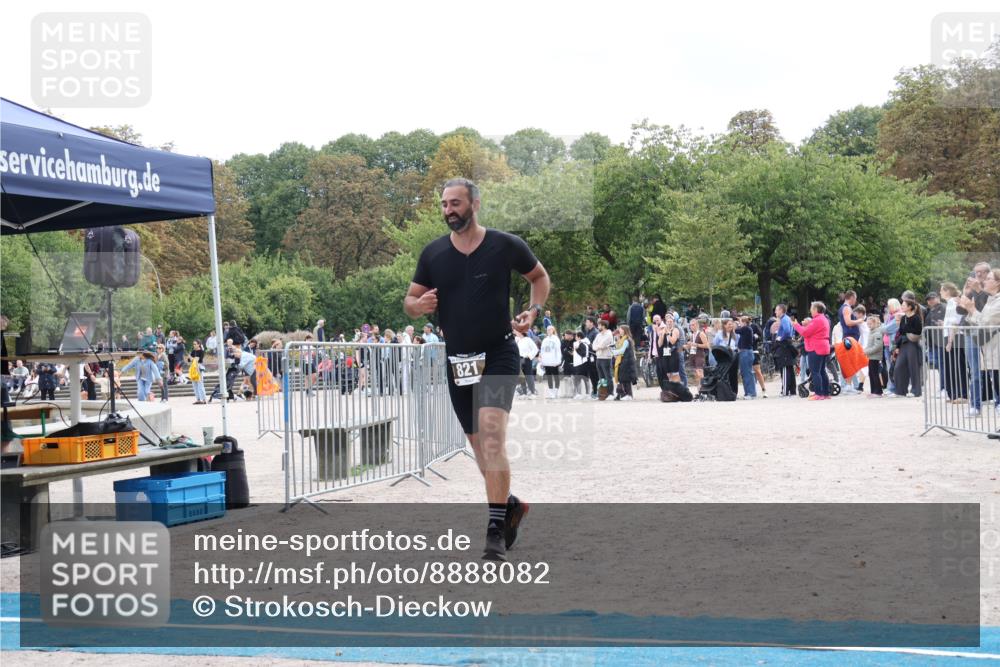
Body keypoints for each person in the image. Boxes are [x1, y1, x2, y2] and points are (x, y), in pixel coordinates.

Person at [403, 177, 549, 561]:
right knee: (478, 448)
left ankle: (495, 530)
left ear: (475, 204)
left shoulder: (504, 245)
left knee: (491, 436)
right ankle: (510, 505)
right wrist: (418, 307)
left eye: (456, 203)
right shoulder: (433, 254)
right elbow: (410, 300)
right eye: (444, 204)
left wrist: (534, 310)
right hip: (458, 362)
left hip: (500, 352)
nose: (449, 210)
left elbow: (539, 277)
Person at [960, 267, 1000, 416]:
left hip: (995, 345)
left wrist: (973, 309)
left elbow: (987, 321)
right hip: (989, 346)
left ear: (997, 283)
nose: (984, 280)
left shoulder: (996, 299)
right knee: (993, 379)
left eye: (989, 278)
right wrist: (968, 307)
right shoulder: (991, 298)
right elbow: (978, 317)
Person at [793, 302, 832, 400]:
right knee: (822, 371)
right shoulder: (823, 319)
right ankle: (826, 393)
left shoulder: (817, 320)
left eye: (811, 308)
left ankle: (818, 394)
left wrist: (795, 325)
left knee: (815, 372)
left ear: (816, 309)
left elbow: (805, 333)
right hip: (823, 347)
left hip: (816, 348)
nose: (810, 310)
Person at [888, 298, 924, 398]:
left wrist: (905, 328)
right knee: (899, 367)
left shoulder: (916, 318)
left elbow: (917, 331)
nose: (902, 306)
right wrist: (897, 346)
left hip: (912, 344)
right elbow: (901, 332)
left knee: (914, 367)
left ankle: (916, 391)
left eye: (904, 305)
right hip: (903, 344)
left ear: (909, 307)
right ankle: (900, 391)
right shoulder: (903, 318)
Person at [940, 282, 967, 404]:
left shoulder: (953, 302)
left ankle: (962, 394)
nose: (940, 292)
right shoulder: (950, 303)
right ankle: (954, 394)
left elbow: (955, 322)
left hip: (955, 337)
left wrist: (950, 341)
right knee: (951, 366)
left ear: (947, 291)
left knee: (957, 365)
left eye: (942, 290)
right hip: (951, 336)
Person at [772, 304, 797, 396]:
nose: (775, 312)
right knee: (789, 368)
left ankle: (785, 391)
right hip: (787, 344)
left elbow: (787, 331)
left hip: (784, 345)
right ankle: (792, 390)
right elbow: (792, 331)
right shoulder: (787, 319)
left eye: (776, 310)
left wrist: (780, 338)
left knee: (785, 367)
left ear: (781, 310)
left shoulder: (784, 319)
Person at [735, 316, 758, 399]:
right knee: (745, 373)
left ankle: (751, 393)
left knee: (747, 373)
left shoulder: (746, 328)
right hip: (744, 352)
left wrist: (736, 325)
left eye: (740, 322)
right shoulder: (747, 329)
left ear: (744, 323)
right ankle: (748, 392)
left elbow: (736, 330)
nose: (739, 324)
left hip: (746, 353)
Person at [612, 325, 637, 400]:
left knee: (626, 379)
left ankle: (628, 395)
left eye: (621, 329)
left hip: (627, 362)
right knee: (623, 379)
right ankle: (624, 394)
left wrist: (613, 351)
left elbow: (622, 350)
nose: (619, 330)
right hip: (623, 361)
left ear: (625, 330)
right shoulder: (622, 339)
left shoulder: (626, 340)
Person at [863, 315, 885, 397]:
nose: (869, 326)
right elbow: (870, 345)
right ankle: (873, 391)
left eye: (870, 324)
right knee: (871, 374)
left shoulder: (877, 333)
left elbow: (877, 346)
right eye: (868, 324)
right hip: (871, 356)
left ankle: (878, 392)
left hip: (875, 357)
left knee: (875, 374)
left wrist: (866, 351)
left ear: (875, 323)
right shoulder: (871, 332)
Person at [593, 319, 616, 398]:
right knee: (601, 377)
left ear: (603, 326)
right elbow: (594, 345)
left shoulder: (609, 334)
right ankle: (603, 393)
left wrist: (599, 347)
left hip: (606, 357)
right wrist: (598, 347)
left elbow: (603, 344)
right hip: (598, 357)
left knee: (608, 376)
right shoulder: (598, 335)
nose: (598, 326)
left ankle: (610, 393)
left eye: (599, 325)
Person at [539, 325, 562, 399]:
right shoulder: (545, 340)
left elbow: (558, 351)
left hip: (554, 362)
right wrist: (542, 361)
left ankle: (556, 391)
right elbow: (542, 350)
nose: (549, 331)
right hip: (546, 362)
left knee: (556, 376)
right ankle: (551, 392)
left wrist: (558, 361)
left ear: (553, 330)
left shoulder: (556, 339)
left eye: (550, 330)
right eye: (547, 330)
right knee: (549, 377)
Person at [190, 339, 207, 404]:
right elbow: (189, 359)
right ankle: (198, 399)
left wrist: (193, 359)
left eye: (195, 344)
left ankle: (203, 399)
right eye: (193, 344)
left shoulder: (201, 351)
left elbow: (198, 360)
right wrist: (192, 359)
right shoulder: (193, 351)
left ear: (198, 344)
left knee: (200, 383)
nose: (194, 345)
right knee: (194, 384)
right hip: (193, 367)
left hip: (198, 367)